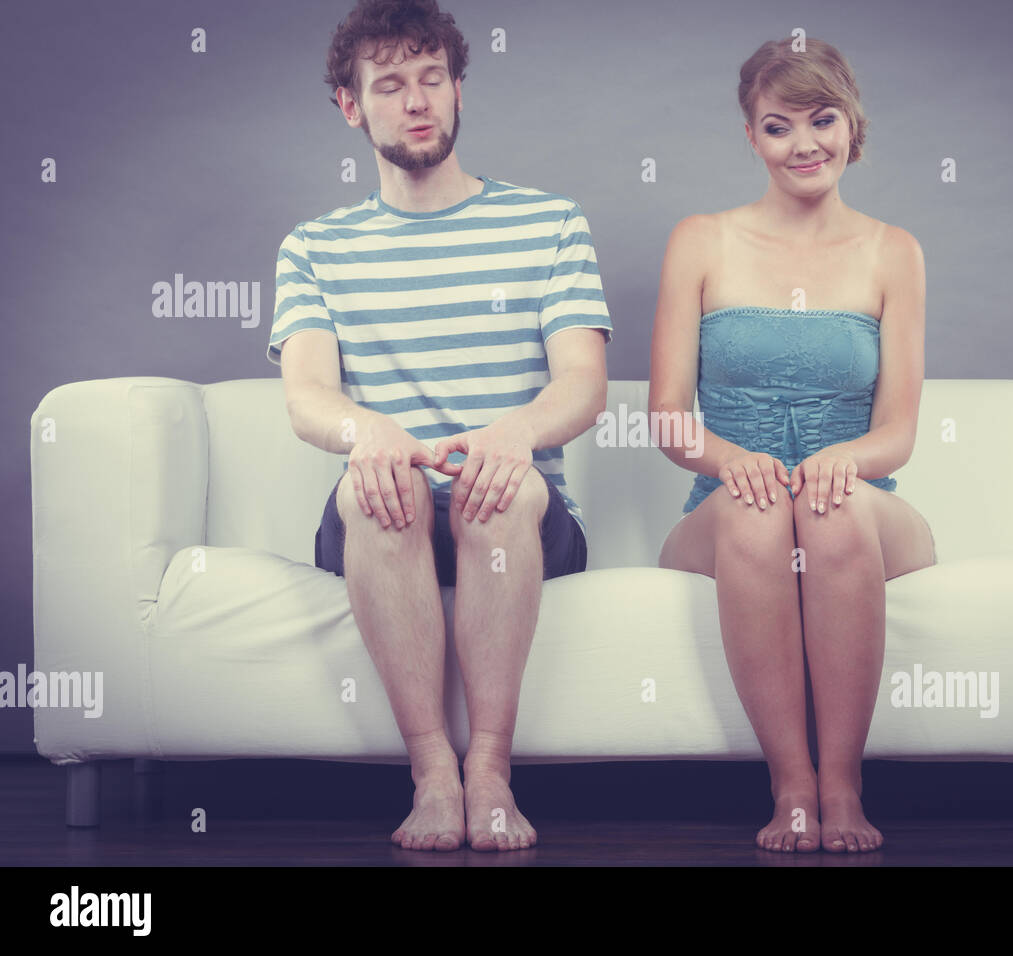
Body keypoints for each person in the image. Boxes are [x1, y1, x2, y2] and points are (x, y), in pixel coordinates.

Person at [267, 0, 611, 852]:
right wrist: (367, 432)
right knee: (378, 488)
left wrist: (515, 434)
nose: (417, 101)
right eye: (390, 85)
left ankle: (489, 771)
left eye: (433, 79)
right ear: (351, 106)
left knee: (501, 489)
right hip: (387, 513)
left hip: (522, 517)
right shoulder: (314, 248)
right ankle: (432, 774)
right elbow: (308, 396)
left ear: (460, 89)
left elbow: (583, 384)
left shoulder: (551, 223)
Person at [651, 37, 937, 853]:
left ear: (852, 125)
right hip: (726, 508)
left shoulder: (894, 251)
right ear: (752, 137)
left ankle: (842, 784)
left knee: (830, 504)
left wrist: (845, 461)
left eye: (822, 120)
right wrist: (730, 461)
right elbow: (666, 416)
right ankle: (792, 785)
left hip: (859, 506)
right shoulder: (701, 239)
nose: (803, 144)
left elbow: (898, 433)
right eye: (778, 127)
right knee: (756, 510)